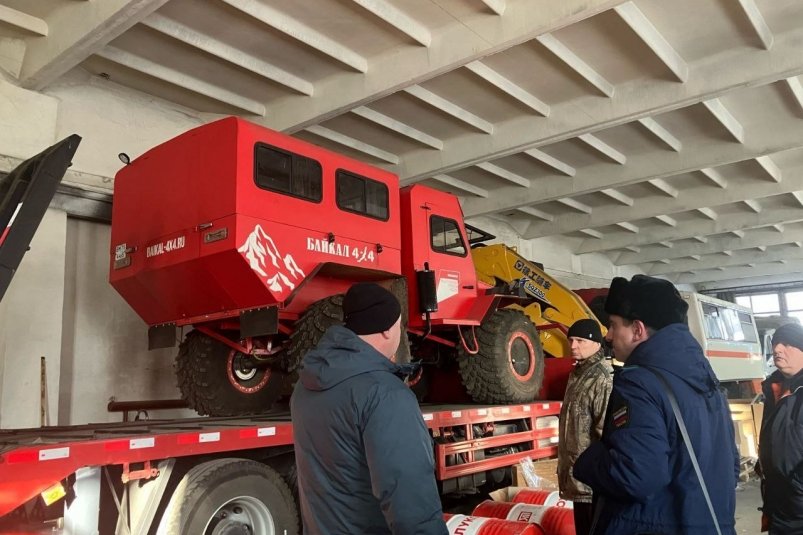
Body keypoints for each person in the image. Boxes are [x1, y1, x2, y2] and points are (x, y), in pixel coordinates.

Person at [573, 274, 738, 535]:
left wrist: (587, 461)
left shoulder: (639, 382)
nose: (608, 336)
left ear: (638, 330)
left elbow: (635, 476)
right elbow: (732, 463)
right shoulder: (706, 378)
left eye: (614, 325)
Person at [290, 282, 448, 535]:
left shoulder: (305, 386)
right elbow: (411, 501)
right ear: (388, 329)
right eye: (400, 325)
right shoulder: (386, 395)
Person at [558, 318, 613, 535]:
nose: (573, 346)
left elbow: (606, 432)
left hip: (593, 484)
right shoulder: (577, 374)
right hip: (577, 479)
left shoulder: (602, 378)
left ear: (596, 343)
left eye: (580, 340)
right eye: (571, 340)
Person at [758, 322, 803, 534]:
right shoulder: (773, 388)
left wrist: (797, 485)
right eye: (776, 343)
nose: (777, 349)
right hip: (778, 502)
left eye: (787, 344)